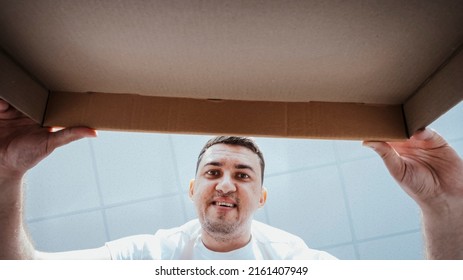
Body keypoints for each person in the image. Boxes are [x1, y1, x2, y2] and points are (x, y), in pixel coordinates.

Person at [0, 99, 462, 260]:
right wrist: (6, 173)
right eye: (212, 172)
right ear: (192, 190)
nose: (225, 184)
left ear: (261, 197)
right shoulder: (145, 255)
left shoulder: (292, 262)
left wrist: (444, 206)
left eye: (242, 175)